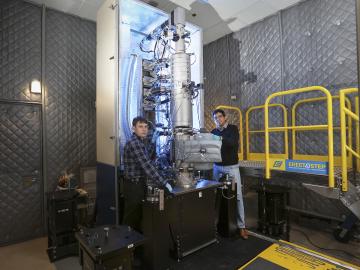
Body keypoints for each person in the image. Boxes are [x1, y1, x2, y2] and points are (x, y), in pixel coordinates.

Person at [123, 116, 173, 231]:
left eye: (145, 127)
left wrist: (153, 141)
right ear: (133, 128)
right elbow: (147, 166)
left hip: (138, 184)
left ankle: (135, 245)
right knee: (131, 219)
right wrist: (164, 183)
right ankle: (127, 246)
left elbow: (148, 157)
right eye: (140, 126)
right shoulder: (134, 143)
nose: (144, 129)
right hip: (133, 187)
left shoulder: (140, 142)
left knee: (137, 217)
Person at [211, 109, 248, 239]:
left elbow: (232, 144)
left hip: (231, 167)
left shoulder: (232, 129)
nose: (218, 119)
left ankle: (242, 226)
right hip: (217, 167)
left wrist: (219, 138)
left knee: (237, 196)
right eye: (215, 118)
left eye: (220, 117)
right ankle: (214, 225)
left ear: (225, 117)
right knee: (215, 195)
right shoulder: (213, 132)